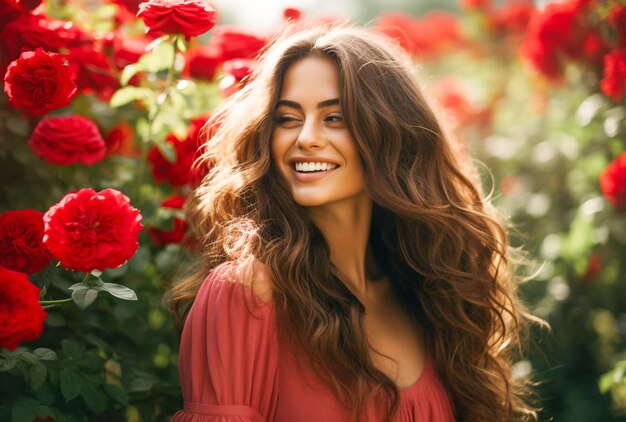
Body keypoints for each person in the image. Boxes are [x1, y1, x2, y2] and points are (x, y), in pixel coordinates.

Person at [167, 24, 539, 422]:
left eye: (335, 117)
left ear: (391, 135)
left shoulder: (426, 292)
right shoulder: (249, 293)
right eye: (288, 119)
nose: (306, 138)